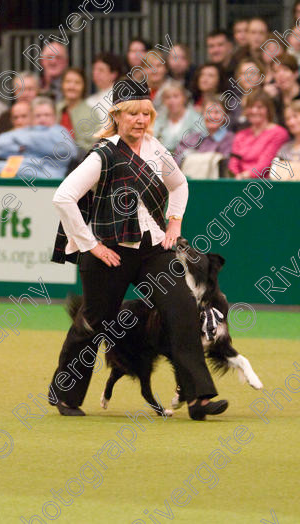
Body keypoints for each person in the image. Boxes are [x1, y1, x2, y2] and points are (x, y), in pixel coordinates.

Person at [48, 78, 228, 420]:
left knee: (182, 310)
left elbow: (179, 184)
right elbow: (63, 198)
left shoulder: (157, 149)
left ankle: (198, 398)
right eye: (133, 114)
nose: (141, 120)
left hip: (153, 249)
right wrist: (93, 246)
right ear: (117, 116)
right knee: (92, 322)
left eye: (146, 113)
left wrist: (174, 223)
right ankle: (66, 395)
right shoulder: (103, 154)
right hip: (109, 252)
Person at [0, 97, 78, 178]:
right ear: (32, 117)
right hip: (15, 173)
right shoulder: (26, 131)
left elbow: (70, 151)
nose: (42, 119)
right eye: (38, 115)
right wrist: (19, 147)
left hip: (47, 180)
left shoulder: (59, 131)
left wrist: (24, 144)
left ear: (55, 117)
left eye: (47, 115)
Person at [228, 89, 289, 179]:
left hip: (265, 184)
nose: (254, 111)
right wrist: (235, 176)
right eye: (250, 107)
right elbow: (233, 162)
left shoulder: (278, 133)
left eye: (259, 107)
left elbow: (265, 164)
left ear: (268, 110)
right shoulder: (240, 135)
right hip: (238, 181)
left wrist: (244, 176)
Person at [174, 98, 235, 167]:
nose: (212, 116)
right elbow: (176, 161)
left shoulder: (231, 139)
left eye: (217, 112)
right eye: (208, 112)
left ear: (225, 116)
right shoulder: (192, 138)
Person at [57, 67, 100, 151]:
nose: (72, 86)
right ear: (62, 85)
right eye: (68, 82)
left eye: (77, 83)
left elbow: (96, 144)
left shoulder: (91, 113)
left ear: (84, 86)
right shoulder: (56, 109)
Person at [153, 81, 201, 152]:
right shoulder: (159, 120)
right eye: (167, 97)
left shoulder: (196, 119)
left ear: (184, 98)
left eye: (176, 96)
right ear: (163, 100)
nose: (172, 101)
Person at [86, 53, 124, 123]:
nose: (95, 73)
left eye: (101, 70)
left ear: (113, 74)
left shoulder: (121, 98)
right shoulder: (90, 99)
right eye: (94, 69)